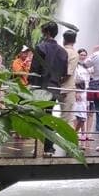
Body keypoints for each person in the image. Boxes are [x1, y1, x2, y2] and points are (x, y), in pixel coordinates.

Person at [30, 22, 69, 152]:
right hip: (54, 87)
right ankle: (49, 146)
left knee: (39, 116)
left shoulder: (40, 48)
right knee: (49, 114)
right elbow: (64, 72)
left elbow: (34, 69)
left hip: (41, 87)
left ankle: (40, 146)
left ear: (46, 32)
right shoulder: (63, 52)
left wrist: (31, 84)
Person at [61, 30, 79, 129]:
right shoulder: (74, 54)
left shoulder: (59, 50)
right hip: (67, 88)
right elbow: (69, 73)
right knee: (67, 117)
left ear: (64, 39)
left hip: (54, 87)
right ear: (75, 41)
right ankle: (66, 137)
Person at [73, 48, 91, 140]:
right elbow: (74, 79)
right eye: (81, 55)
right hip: (79, 91)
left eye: (84, 55)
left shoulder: (87, 66)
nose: (83, 57)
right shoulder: (75, 66)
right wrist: (76, 92)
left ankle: (83, 133)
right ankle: (75, 133)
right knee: (79, 114)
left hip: (87, 91)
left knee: (84, 112)